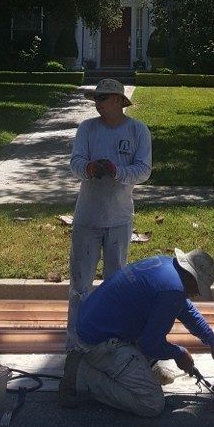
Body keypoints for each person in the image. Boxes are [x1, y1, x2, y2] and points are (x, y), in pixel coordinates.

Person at [60, 248, 214, 416]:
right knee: (152, 403)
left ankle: (130, 368)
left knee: (153, 327)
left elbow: (187, 311)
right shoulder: (172, 290)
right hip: (99, 342)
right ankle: (82, 376)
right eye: (198, 287)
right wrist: (178, 354)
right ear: (191, 276)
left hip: (94, 325)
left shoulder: (168, 267)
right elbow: (150, 344)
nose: (197, 294)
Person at [66, 77, 152, 348]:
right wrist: (90, 168)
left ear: (118, 101)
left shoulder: (138, 131)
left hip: (119, 218)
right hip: (87, 218)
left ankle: (113, 343)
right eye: (96, 99)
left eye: (102, 99)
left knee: (116, 285)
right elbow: (75, 163)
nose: (97, 104)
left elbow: (144, 170)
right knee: (80, 285)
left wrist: (117, 172)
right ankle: (75, 344)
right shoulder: (87, 129)